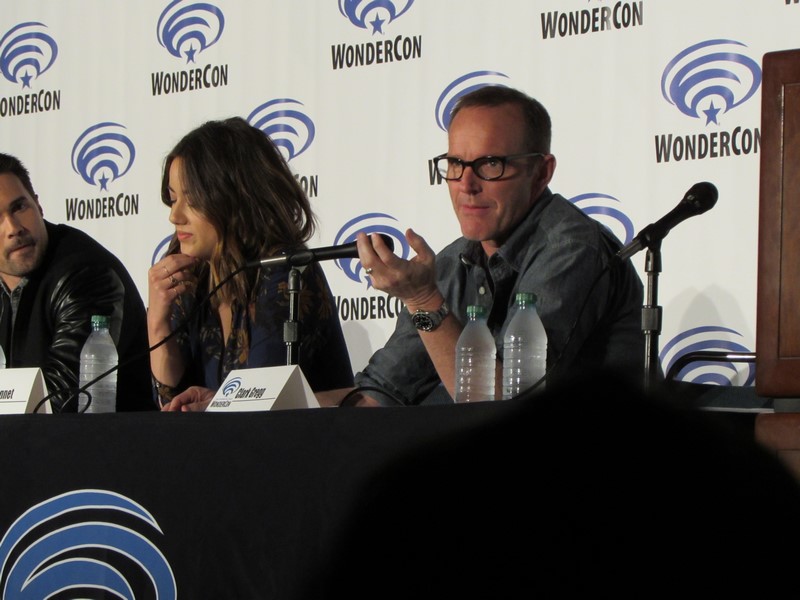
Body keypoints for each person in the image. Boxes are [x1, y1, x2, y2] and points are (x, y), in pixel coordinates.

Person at [348, 85, 647, 406]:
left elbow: (508, 405)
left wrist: (423, 300)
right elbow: (381, 391)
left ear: (541, 172)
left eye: (490, 164)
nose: (466, 185)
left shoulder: (572, 250)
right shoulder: (451, 262)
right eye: (456, 163)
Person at [148, 117, 354, 411]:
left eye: (192, 200)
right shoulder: (191, 278)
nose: (174, 216)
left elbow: (261, 405)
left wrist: (210, 407)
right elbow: (171, 405)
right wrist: (157, 325)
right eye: (172, 199)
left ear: (233, 197)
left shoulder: (284, 270)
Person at [0, 152, 154, 412]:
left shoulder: (86, 273)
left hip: (106, 436)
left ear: (38, 205)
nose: (13, 228)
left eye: (19, 207)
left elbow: (64, 398)